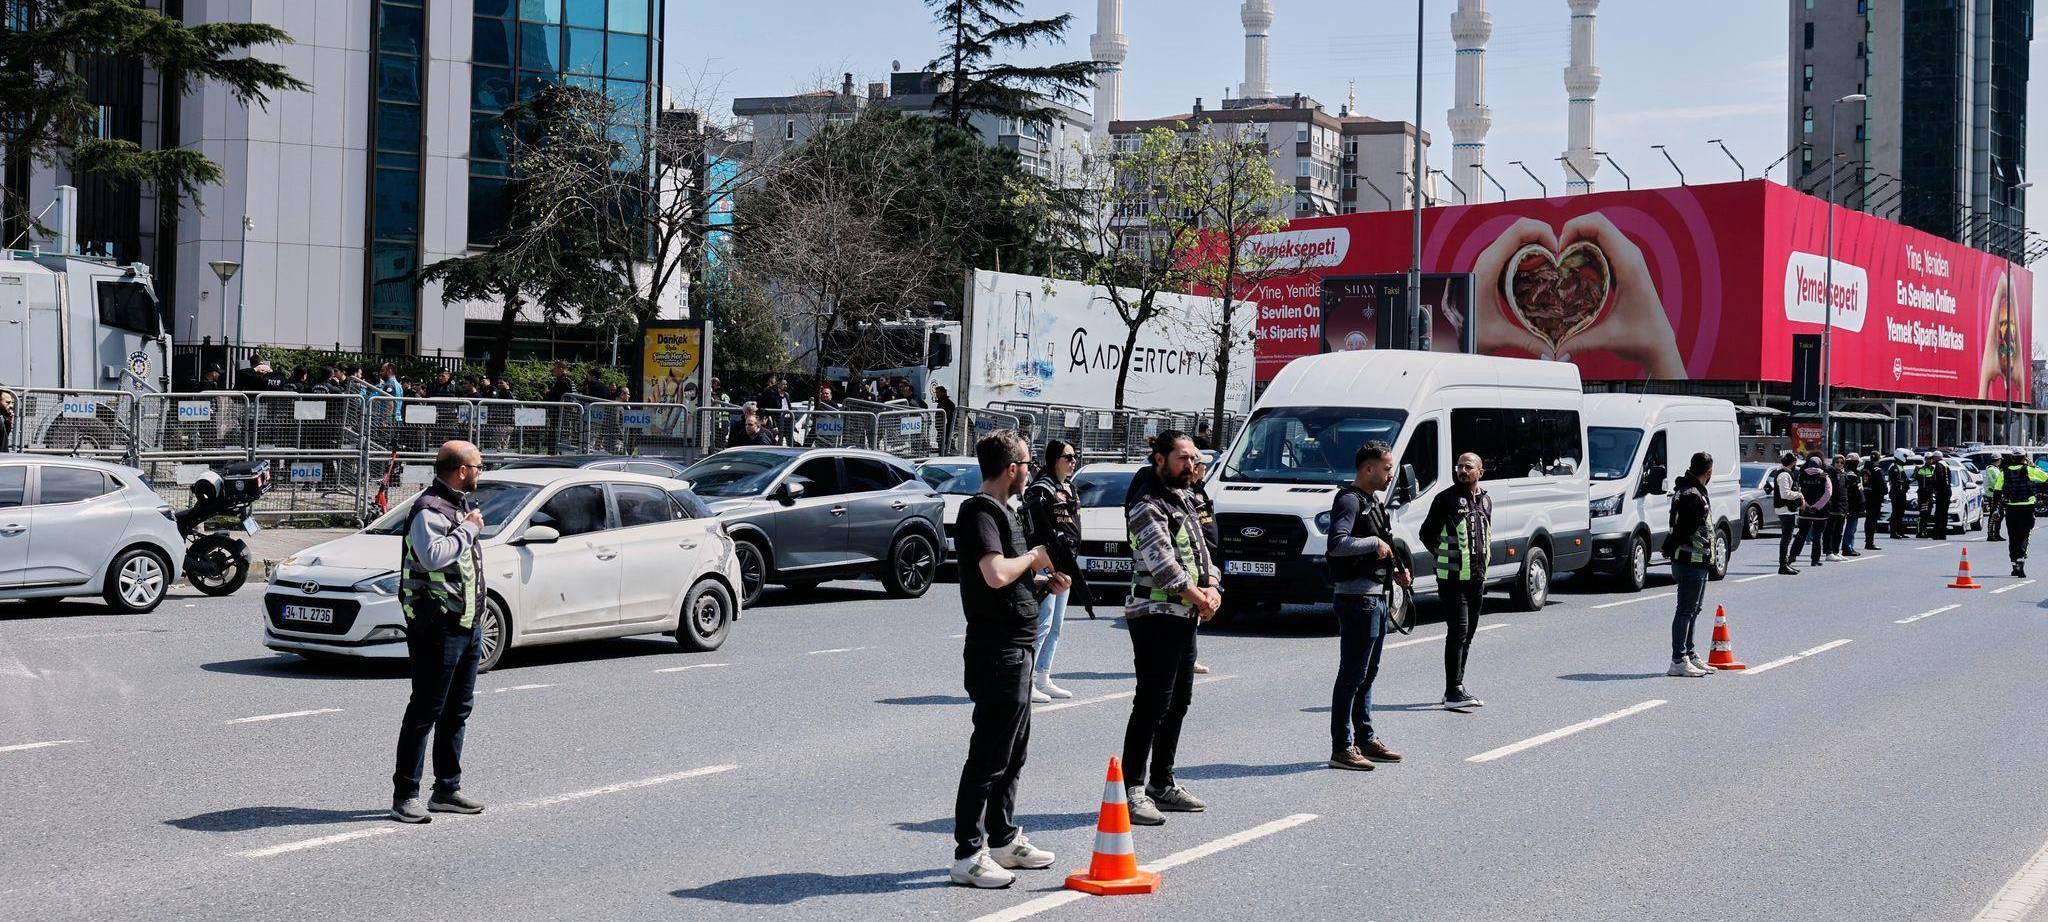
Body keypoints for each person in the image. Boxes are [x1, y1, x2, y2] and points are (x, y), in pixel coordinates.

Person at [949, 430, 1065, 889]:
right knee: (989, 756)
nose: (1031, 471)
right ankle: (967, 854)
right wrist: (1034, 557)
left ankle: (1002, 839)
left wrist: (1042, 585)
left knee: (1014, 753)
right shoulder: (980, 512)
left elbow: (1010, 584)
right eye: (1028, 464)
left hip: (1018, 647)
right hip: (996, 652)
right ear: (1011, 468)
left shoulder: (1007, 512)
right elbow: (995, 574)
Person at [1121, 430, 1218, 825]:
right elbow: (1163, 566)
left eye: (1193, 458)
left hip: (1184, 614)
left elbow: (1203, 551)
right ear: (1159, 459)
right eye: (1182, 458)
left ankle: (1162, 783)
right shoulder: (1147, 504)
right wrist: (1201, 597)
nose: (1191, 465)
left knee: (1179, 702)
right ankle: (1132, 791)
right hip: (1155, 615)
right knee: (1152, 703)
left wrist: (1214, 587)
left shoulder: (1185, 498)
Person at [390, 440, 489, 824]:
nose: (480, 471)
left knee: (457, 710)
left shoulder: (457, 505)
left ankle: (446, 789)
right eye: (477, 466)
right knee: (425, 710)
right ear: (461, 470)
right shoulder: (429, 509)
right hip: (437, 626)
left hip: (466, 625)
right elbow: (432, 556)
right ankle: (405, 796)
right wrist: (469, 530)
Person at [1325, 441, 1409, 771]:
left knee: (1367, 674)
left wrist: (1397, 568)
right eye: (1386, 469)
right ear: (1368, 468)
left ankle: (1365, 738)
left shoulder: (1372, 501)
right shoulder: (1348, 499)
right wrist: (1374, 543)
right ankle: (1342, 747)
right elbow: (1337, 544)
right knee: (1352, 675)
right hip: (1356, 598)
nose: (1391, 475)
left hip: (1375, 596)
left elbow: (1383, 544)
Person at [1421, 452, 1491, 709]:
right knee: (1458, 631)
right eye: (1459, 466)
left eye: (1468, 466)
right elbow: (1426, 533)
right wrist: (1445, 556)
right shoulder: (1445, 499)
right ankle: (1454, 691)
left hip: (1477, 578)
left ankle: (1455, 687)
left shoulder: (1486, 500)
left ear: (1480, 472)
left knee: (1468, 633)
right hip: (1452, 579)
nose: (1462, 470)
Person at [1020, 440, 1084, 702]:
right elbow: (1034, 529)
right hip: (1047, 565)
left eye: (1074, 457)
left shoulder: (1069, 487)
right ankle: (1026, 681)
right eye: (1068, 457)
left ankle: (1043, 677)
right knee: (1042, 624)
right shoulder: (1041, 489)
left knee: (1055, 625)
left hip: (1066, 564)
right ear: (1054, 459)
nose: (1073, 461)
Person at [1664, 451, 1718, 677]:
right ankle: (1678, 659)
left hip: (1697, 559)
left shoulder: (1688, 490)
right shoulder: (1692, 495)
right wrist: (1670, 547)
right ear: (1709, 471)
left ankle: (1690, 654)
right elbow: (1684, 530)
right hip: (1690, 559)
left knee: (1693, 609)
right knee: (1686, 610)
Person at [1186, 454, 1221, 676]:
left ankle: (1189, 657)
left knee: (1195, 615)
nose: (1205, 468)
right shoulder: (1187, 493)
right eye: (1202, 465)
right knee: (1192, 610)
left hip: (1206, 554)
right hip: (1195, 558)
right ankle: (1187, 658)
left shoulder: (1200, 489)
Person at [1992, 450, 2047, 577]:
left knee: (2013, 536)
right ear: (2025, 458)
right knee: (2024, 535)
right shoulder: (2029, 470)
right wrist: (2033, 465)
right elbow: (2045, 477)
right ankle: (2021, 560)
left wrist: (1995, 509)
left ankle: (2014, 565)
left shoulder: (2004, 472)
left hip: (2011, 508)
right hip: (2027, 507)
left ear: (2012, 458)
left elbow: (1997, 491)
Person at [1787, 455, 1833, 568]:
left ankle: (1792, 555)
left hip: (1805, 511)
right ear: (1820, 465)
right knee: (1817, 536)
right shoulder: (1824, 477)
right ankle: (1815, 560)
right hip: (1820, 512)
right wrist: (1817, 507)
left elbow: (1797, 491)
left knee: (1801, 534)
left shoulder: (1802, 475)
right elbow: (1828, 494)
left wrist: (1806, 506)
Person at [1771, 452, 1805, 575]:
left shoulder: (1786, 473)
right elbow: (1785, 494)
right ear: (1793, 462)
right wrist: (1799, 495)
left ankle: (1785, 564)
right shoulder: (1784, 475)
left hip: (1788, 509)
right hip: (1785, 509)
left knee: (1787, 537)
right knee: (1786, 538)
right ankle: (1783, 565)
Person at [1832, 455, 1864, 559]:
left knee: (1843, 528)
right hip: (1851, 505)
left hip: (1847, 504)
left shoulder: (1845, 473)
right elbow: (1854, 492)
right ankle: (1847, 547)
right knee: (1850, 527)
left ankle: (1842, 548)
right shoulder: (1851, 474)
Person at [1918, 452, 1951, 539]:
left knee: (1939, 513)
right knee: (1944, 514)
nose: (1932, 460)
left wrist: (1935, 489)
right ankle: (1943, 534)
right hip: (1947, 491)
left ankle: (1937, 534)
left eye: (1933, 458)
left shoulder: (1939, 466)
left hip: (1942, 492)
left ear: (1937, 458)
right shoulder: (1946, 464)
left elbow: (1939, 479)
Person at [1860, 454, 1886, 552]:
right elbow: (1883, 486)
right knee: (1873, 520)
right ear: (1878, 459)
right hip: (1875, 498)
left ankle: (1868, 539)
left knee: (1868, 519)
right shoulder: (1878, 470)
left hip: (1865, 497)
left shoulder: (1864, 469)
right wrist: (1884, 493)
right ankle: (1870, 542)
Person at [1887, 450, 1913, 540]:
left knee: (1901, 513)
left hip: (1901, 493)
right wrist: (1905, 482)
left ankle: (1900, 531)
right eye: (1905, 456)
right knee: (1896, 512)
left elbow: (1905, 480)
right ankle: (1893, 532)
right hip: (1896, 493)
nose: (1906, 458)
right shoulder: (1894, 467)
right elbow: (1897, 480)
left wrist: (1912, 478)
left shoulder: (1900, 467)